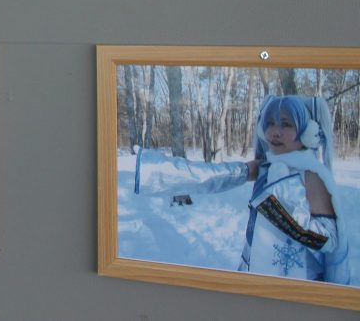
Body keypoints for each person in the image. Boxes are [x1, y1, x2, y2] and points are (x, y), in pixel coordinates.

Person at [136, 95, 349, 284]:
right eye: (270, 123)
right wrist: (159, 172)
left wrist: (277, 206)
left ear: (307, 132)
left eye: (285, 124)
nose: (274, 131)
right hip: (254, 276)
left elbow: (328, 240)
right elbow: (215, 176)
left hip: (294, 289)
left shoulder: (312, 176)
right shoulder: (270, 166)